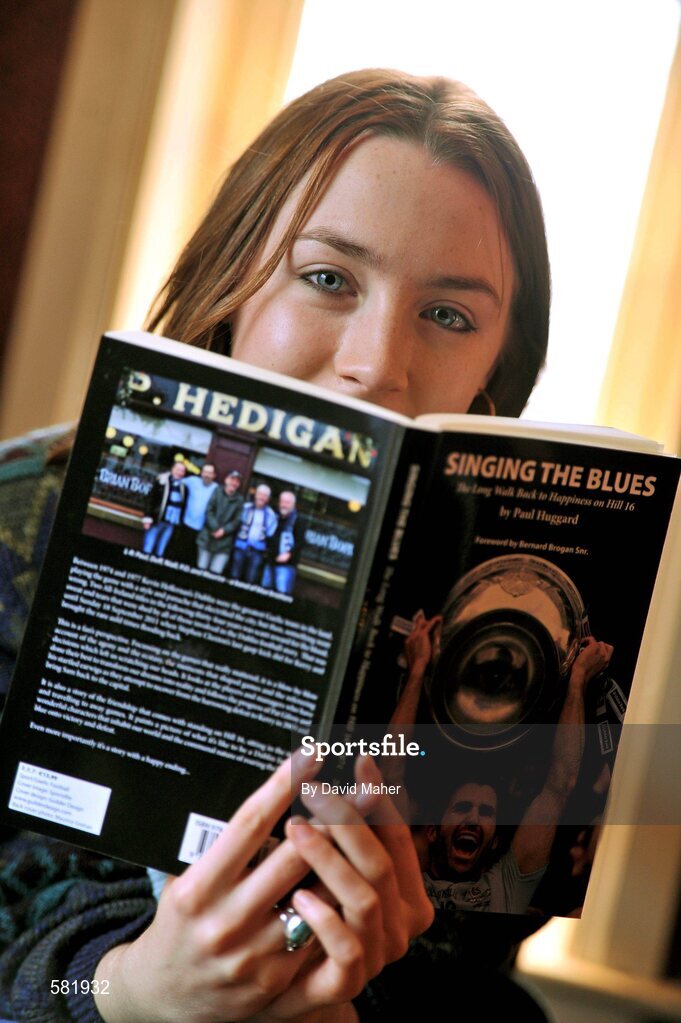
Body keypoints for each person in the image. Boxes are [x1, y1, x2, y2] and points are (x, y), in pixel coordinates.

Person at [0, 68, 553, 1023]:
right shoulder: (16, 523)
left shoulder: (514, 608)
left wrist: (361, 1000)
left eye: (449, 314)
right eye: (329, 277)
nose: (376, 363)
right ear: (233, 280)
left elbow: (484, 962)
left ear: (498, 367)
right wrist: (118, 993)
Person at [401, 614, 613, 913]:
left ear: (497, 841)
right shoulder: (402, 878)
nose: (473, 819)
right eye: (462, 808)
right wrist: (417, 670)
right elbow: (389, 773)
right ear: (433, 831)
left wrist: (578, 680)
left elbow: (559, 785)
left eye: (486, 812)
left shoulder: (506, 885)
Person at [196, 469, 244, 573]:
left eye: (237, 481)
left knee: (215, 574)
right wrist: (215, 528)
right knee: (200, 571)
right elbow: (209, 510)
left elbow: (237, 520)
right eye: (232, 479)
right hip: (207, 539)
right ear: (226, 480)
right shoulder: (217, 491)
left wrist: (223, 530)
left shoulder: (240, 500)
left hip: (224, 545)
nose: (234, 483)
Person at [231, 483, 278, 583]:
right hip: (240, 548)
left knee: (250, 580)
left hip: (257, 552)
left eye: (265, 495)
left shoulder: (271, 515)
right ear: (255, 494)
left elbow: (270, 535)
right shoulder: (245, 508)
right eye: (260, 494)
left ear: (268, 499)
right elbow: (236, 525)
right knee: (234, 577)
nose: (262, 497)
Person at [141, 460, 188, 556]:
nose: (179, 473)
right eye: (178, 470)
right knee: (148, 548)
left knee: (161, 551)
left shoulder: (184, 487)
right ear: (172, 469)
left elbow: (183, 506)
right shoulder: (161, 481)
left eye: (182, 471)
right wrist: (147, 517)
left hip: (171, 524)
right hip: (157, 520)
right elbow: (151, 499)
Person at [176, 461, 218, 563]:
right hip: (186, 526)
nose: (207, 475)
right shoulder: (192, 481)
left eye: (210, 473)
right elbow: (176, 480)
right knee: (179, 556)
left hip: (203, 531)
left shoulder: (217, 488)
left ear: (214, 475)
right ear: (201, 473)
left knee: (193, 560)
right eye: (205, 472)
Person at [263, 490, 301, 594]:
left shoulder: (298, 520)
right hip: (270, 562)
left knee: (281, 595)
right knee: (263, 592)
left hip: (286, 566)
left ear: (293, 505)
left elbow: (300, 543)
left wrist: (289, 554)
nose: (284, 505)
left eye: (287, 502)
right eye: (282, 502)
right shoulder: (274, 517)